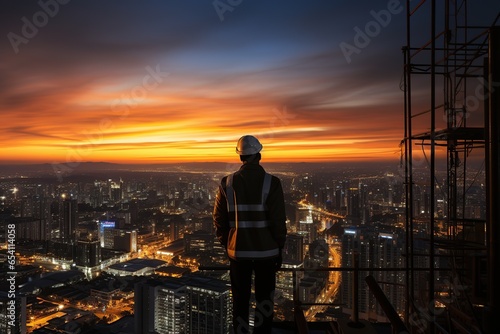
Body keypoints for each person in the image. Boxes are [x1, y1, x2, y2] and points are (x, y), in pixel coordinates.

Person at [213, 135, 287, 334]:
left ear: (240, 158)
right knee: (265, 300)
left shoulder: (227, 183)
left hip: (238, 253)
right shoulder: (272, 183)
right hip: (267, 253)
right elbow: (278, 221)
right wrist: (279, 246)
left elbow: (218, 219)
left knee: (240, 300)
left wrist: (227, 241)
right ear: (259, 155)